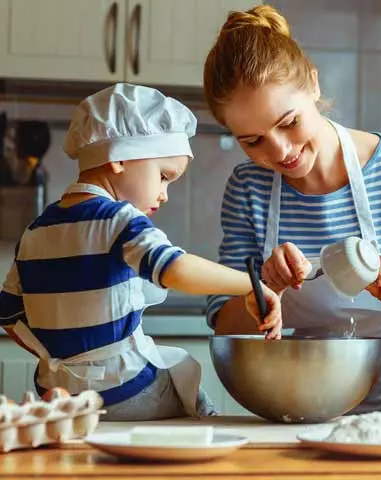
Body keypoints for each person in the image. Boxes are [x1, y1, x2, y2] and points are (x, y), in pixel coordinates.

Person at [202, 5, 381, 411]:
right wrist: (265, 291)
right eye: (253, 141)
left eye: (288, 122)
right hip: (318, 408)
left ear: (314, 86)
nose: (280, 151)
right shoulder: (248, 189)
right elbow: (224, 323)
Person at [0, 83, 281, 421]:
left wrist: (60, 360)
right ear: (119, 158)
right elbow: (174, 268)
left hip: (57, 398)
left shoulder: (35, 231)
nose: (164, 194)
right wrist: (250, 284)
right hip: (126, 391)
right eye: (163, 176)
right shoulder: (121, 220)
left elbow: (9, 316)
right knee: (186, 383)